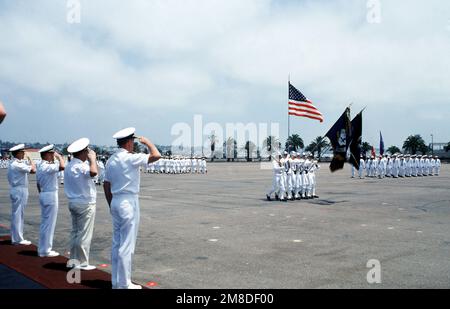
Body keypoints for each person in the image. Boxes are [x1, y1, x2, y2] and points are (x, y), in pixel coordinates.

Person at [103, 127, 161, 289]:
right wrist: (148, 142)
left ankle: (116, 281)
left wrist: (111, 204)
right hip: (128, 202)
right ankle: (124, 283)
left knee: (117, 243)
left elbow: (106, 185)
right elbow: (156, 155)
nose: (134, 144)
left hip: (115, 201)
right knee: (126, 244)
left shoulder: (111, 160)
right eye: (133, 141)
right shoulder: (129, 158)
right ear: (129, 142)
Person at [64, 138, 98, 270]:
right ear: (83, 152)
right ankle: (82, 262)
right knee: (84, 234)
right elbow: (94, 173)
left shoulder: (69, 166)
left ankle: (73, 260)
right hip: (85, 204)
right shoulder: (81, 166)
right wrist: (93, 159)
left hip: (74, 202)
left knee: (75, 232)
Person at [36, 144, 65, 257]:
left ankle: (43, 248)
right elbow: (62, 167)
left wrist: (43, 193)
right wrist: (59, 157)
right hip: (50, 195)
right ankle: (45, 250)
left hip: (44, 193)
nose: (53, 155)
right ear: (47, 154)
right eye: (52, 153)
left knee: (45, 223)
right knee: (49, 224)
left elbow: (38, 184)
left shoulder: (40, 166)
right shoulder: (47, 166)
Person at [7, 144, 36, 245]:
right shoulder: (17, 164)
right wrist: (30, 159)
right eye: (23, 152)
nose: (24, 153)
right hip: (19, 190)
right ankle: (17, 239)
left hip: (18, 189)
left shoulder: (15, 163)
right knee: (18, 214)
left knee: (18, 214)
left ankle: (16, 237)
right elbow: (33, 170)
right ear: (18, 153)